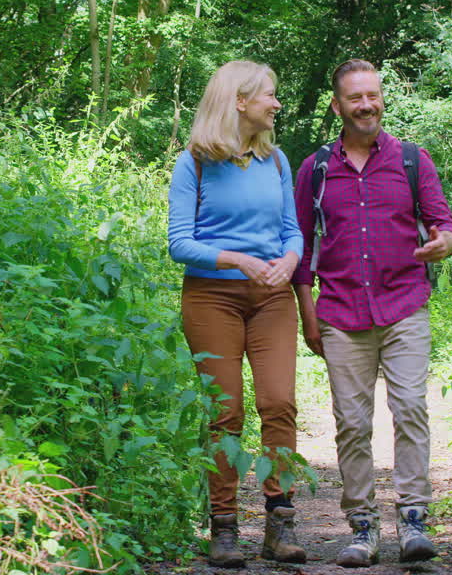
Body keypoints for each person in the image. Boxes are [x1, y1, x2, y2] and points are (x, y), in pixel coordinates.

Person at [291, 59, 452, 567]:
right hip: (341, 313)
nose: (366, 105)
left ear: (381, 98)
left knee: (410, 409)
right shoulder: (316, 169)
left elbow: (444, 223)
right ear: (338, 106)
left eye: (373, 95)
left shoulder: (412, 160)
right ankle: (362, 528)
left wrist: (444, 244)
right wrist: (307, 313)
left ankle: (413, 520)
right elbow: (299, 246)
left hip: (405, 307)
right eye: (355, 98)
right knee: (352, 423)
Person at [167, 60, 307, 568]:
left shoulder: (276, 161)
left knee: (279, 403)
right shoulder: (196, 163)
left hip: (271, 298)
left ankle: (279, 523)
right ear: (240, 101)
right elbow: (179, 244)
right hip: (212, 298)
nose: (276, 103)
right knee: (224, 413)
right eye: (269, 95)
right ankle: (223, 529)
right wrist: (239, 260)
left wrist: (289, 260)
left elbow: (292, 229)